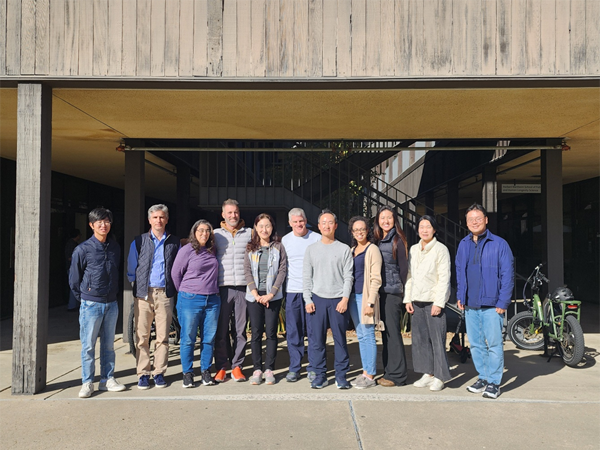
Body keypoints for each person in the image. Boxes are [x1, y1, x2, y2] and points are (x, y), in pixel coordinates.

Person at [456, 203, 514, 399]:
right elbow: (460, 272)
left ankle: (494, 383)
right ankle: (483, 377)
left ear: (486, 220)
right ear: (466, 222)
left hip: (492, 305)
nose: (474, 222)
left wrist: (503, 301)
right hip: (470, 304)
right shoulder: (463, 244)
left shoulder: (499, 244)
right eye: (470, 219)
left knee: (494, 345)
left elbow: (507, 275)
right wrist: (460, 295)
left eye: (478, 218)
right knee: (476, 345)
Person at [69, 208, 126, 398]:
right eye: (99, 222)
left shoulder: (115, 247)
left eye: (107, 221)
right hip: (91, 304)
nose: (104, 225)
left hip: (111, 303)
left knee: (109, 345)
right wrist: (85, 297)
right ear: (91, 225)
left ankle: (107, 379)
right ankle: (87, 382)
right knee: (88, 346)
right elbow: (74, 279)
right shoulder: (82, 249)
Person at [127, 204, 180, 390]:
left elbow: (178, 266)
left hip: (164, 294)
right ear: (149, 220)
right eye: (155, 217)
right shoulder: (139, 241)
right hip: (144, 294)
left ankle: (159, 372)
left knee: (163, 336)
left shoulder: (174, 242)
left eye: (162, 217)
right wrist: (136, 285)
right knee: (142, 337)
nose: (159, 220)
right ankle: (143, 373)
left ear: (167, 219)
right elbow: (132, 267)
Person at [303, 209, 353, 389]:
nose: (327, 225)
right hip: (317, 300)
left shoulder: (344, 249)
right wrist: (308, 299)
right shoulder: (311, 249)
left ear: (336, 226)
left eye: (330, 222)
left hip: (338, 300)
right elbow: (306, 277)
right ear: (319, 226)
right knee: (317, 341)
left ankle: (341, 376)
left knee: (340, 340)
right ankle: (320, 375)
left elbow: (348, 276)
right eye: (323, 223)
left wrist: (345, 299)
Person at [404, 215, 451, 391]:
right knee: (420, 340)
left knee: (437, 340)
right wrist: (408, 298)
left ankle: (440, 376)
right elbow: (409, 275)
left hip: (433, 301)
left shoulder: (441, 249)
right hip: (417, 301)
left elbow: (444, 278)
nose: (424, 230)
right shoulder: (414, 249)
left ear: (434, 229)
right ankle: (428, 373)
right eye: (421, 227)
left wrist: (439, 302)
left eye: (428, 226)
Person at [171, 220, 221, 388]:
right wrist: (186, 291)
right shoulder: (186, 250)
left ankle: (206, 371)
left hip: (212, 299)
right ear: (194, 232)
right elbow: (175, 273)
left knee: (209, 338)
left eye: (207, 230)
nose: (204, 233)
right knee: (188, 338)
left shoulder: (212, 249)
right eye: (201, 230)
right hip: (190, 299)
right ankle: (188, 373)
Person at [244, 214, 287, 385]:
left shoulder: (278, 247)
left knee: (271, 332)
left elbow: (282, 270)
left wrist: (271, 294)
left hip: (272, 296)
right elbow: (247, 271)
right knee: (255, 333)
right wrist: (256, 294)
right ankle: (257, 369)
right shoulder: (250, 248)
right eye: (261, 226)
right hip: (254, 296)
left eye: (267, 226)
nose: (264, 229)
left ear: (272, 227)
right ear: (256, 228)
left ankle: (269, 368)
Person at [213, 199, 252, 382]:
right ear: (223, 214)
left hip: (244, 287)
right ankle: (221, 366)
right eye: (229, 212)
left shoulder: (250, 233)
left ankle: (237, 366)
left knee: (240, 330)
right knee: (221, 330)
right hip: (222, 287)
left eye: (235, 212)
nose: (233, 215)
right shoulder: (215, 234)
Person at [281, 208, 321, 383]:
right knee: (293, 331)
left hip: (313, 292)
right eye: (295, 222)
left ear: (306, 221)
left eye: (301, 221)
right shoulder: (285, 240)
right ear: (290, 223)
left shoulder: (316, 238)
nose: (299, 224)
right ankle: (295, 367)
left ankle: (313, 367)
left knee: (313, 332)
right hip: (293, 291)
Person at [373, 206, 409, 387]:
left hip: (392, 292)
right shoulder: (379, 239)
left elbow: (404, 270)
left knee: (393, 334)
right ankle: (389, 371)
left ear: (395, 220)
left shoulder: (397, 240)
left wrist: (405, 294)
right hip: (381, 292)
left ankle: (398, 376)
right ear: (378, 220)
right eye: (382, 218)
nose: (386, 221)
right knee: (386, 333)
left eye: (389, 217)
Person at [347, 216, 383, 389]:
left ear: (367, 230)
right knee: (361, 335)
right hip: (353, 297)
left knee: (368, 335)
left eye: (362, 229)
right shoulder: (352, 250)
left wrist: (370, 303)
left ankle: (370, 375)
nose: (359, 232)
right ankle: (365, 371)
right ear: (352, 232)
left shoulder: (372, 249)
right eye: (356, 230)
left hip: (365, 297)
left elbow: (376, 278)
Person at [65, 228, 81, 311]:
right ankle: (72, 306)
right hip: (72, 268)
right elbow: (69, 257)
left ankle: (74, 304)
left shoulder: (71, 243)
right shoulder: (72, 244)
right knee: (73, 286)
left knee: (74, 285)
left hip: (72, 267)